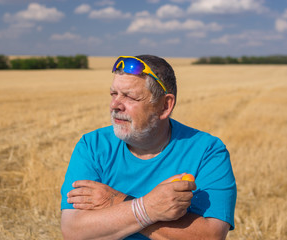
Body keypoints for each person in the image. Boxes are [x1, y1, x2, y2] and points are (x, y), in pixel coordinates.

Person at [60, 55, 237, 240]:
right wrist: (149, 208)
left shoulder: (207, 151)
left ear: (164, 106)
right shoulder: (93, 146)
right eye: (114, 94)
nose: (115, 105)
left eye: (129, 97)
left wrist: (118, 201)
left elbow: (211, 236)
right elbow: (74, 231)